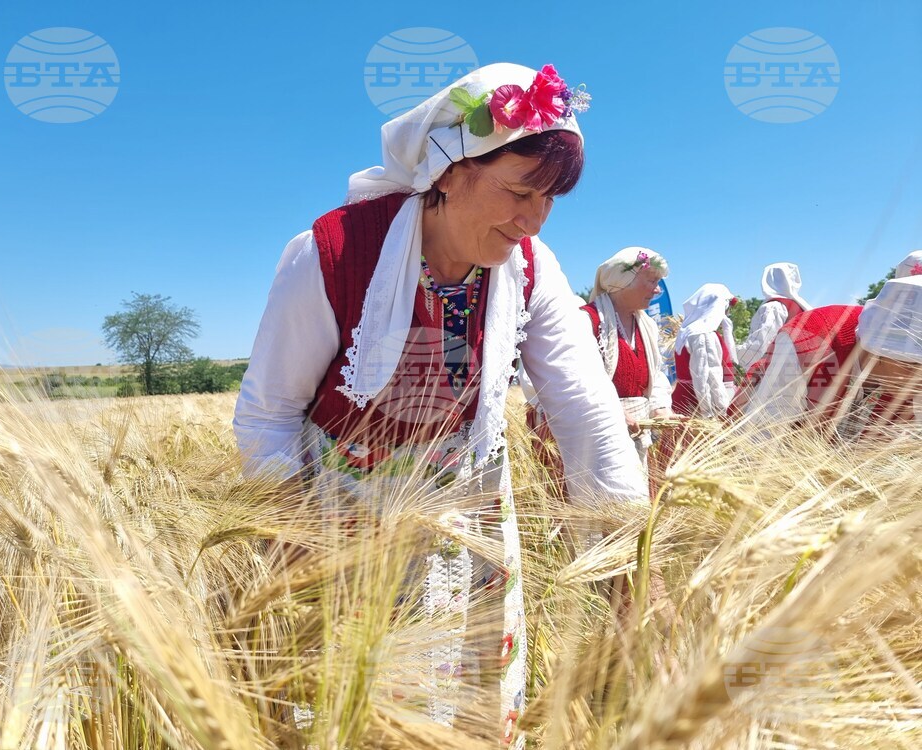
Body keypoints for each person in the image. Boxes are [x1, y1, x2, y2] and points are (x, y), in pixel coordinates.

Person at [233, 63, 645, 743]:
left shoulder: (532, 266)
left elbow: (584, 407)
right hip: (346, 524)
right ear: (449, 171)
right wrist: (298, 543)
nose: (532, 219)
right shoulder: (333, 253)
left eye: (549, 201)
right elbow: (268, 413)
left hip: (473, 509)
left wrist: (627, 545)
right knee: (365, 703)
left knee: (476, 701)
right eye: (519, 192)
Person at [743, 275, 921, 441]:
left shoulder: (910, 382)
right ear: (881, 348)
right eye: (914, 366)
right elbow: (761, 437)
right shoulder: (808, 343)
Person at [583, 247, 676, 466]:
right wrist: (612, 412)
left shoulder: (647, 326)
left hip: (637, 434)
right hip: (598, 435)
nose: (656, 291)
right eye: (652, 281)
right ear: (623, 279)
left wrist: (660, 409)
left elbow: (655, 375)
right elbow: (575, 380)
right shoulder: (587, 321)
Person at [671, 284, 738, 418]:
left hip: (688, 400)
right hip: (696, 405)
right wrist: (716, 413)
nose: (727, 313)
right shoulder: (702, 336)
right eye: (726, 309)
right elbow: (706, 378)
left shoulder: (690, 332)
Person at [737, 262, 812, 371]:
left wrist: (731, 353)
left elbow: (759, 346)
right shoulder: (802, 307)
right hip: (799, 369)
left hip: (778, 372)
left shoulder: (773, 307)